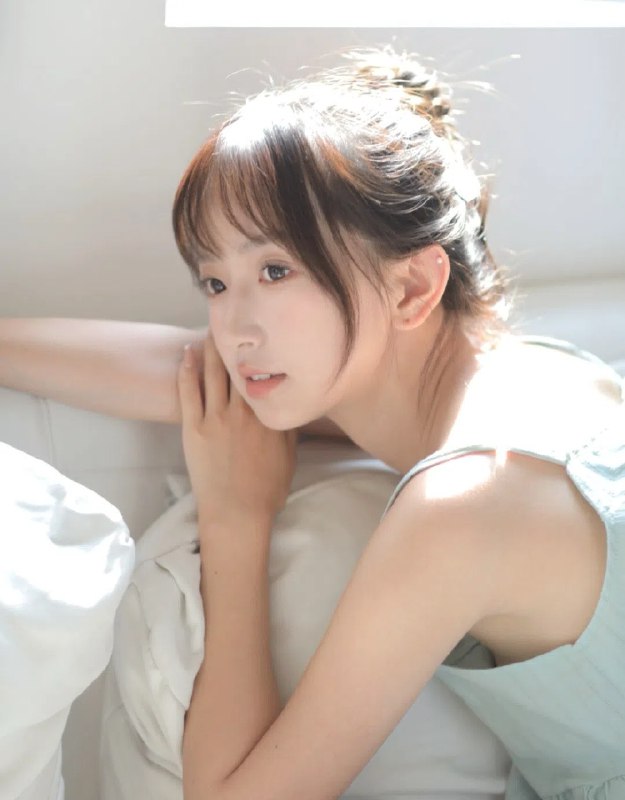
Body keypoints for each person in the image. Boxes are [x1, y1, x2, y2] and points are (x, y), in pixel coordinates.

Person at [1, 44, 624, 800]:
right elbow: (195, 372)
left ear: (412, 287)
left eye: (275, 271)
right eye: (214, 281)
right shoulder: (536, 376)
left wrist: (236, 519)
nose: (234, 328)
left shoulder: (464, 502)